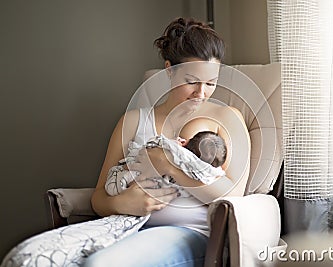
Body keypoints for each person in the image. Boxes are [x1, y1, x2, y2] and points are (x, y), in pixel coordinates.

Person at [86, 17, 251, 267]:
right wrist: (121, 203)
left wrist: (168, 165)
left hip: (189, 234)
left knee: (100, 264)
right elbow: (98, 197)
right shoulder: (133, 121)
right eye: (192, 81)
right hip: (126, 226)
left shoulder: (228, 118)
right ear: (169, 70)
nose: (201, 92)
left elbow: (232, 194)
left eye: (211, 83)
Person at [105, 128, 227, 197]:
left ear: (184, 142)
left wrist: (169, 164)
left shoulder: (172, 147)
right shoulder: (205, 176)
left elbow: (157, 143)